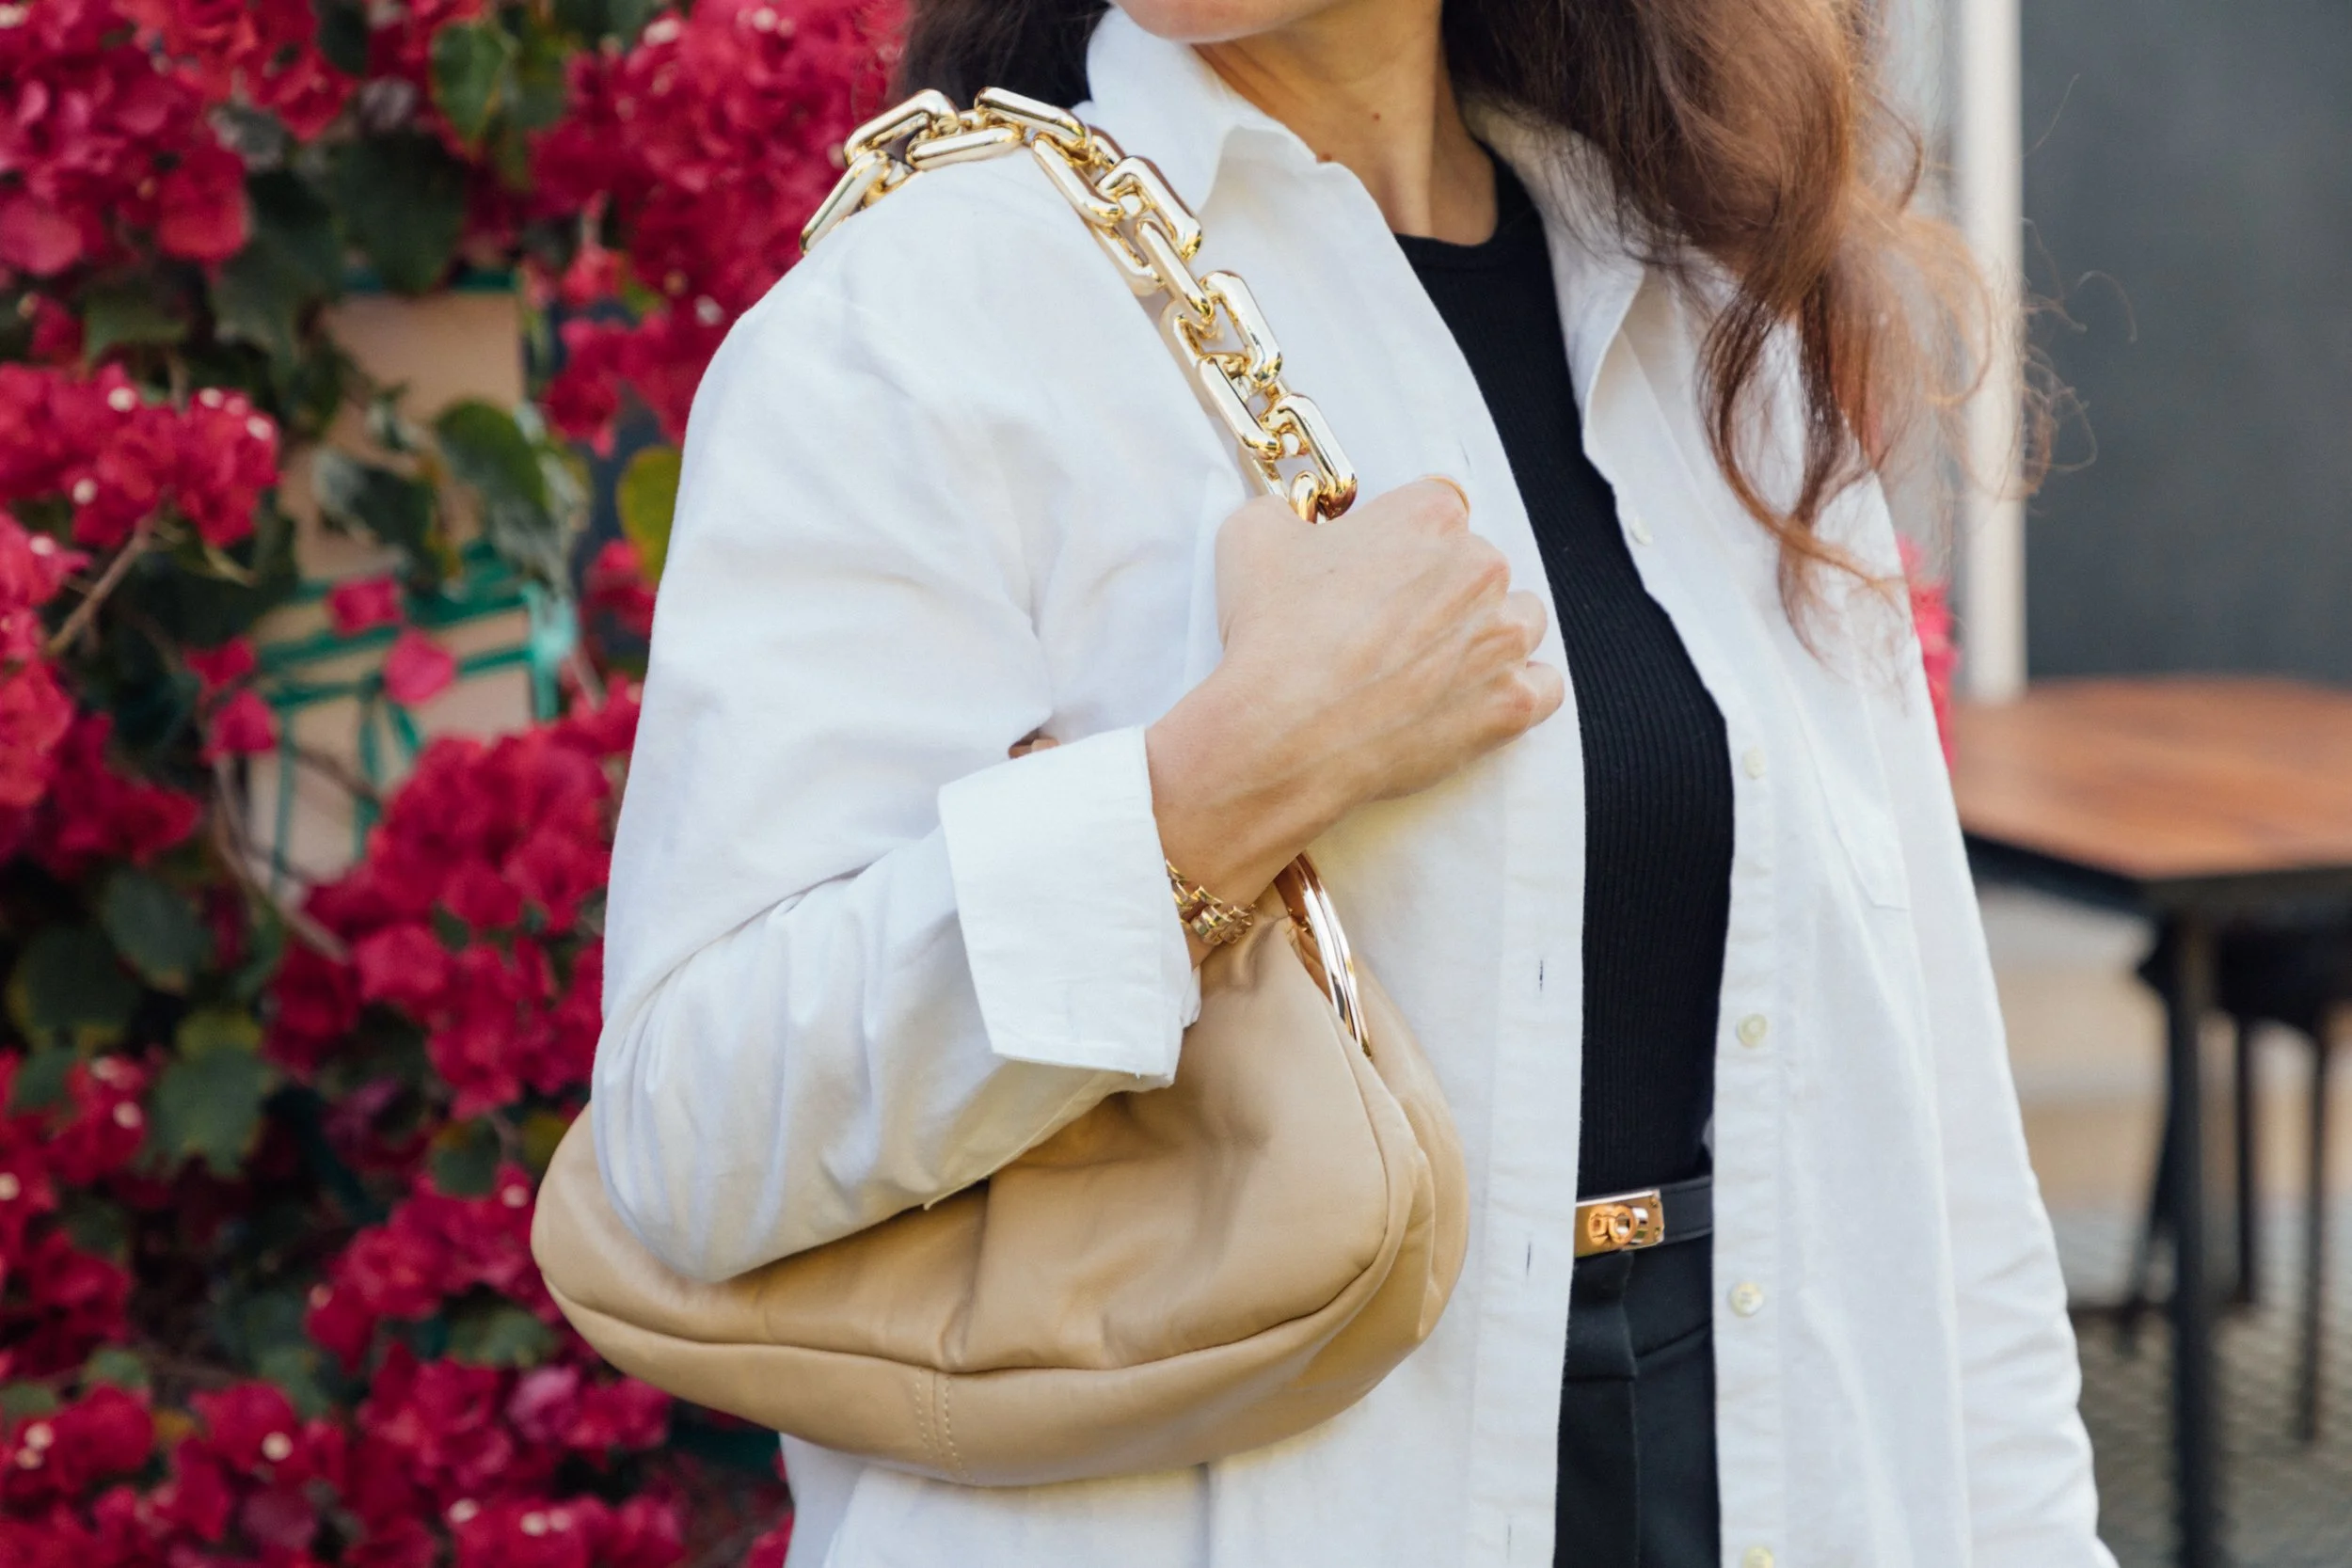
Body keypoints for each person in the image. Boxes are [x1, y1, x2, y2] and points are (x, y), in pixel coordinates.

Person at [590, 2, 2113, 1565]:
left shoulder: (1710, 315)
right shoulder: (923, 325)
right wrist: (1222, 784)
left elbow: (1937, 1160)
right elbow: (688, 1133)